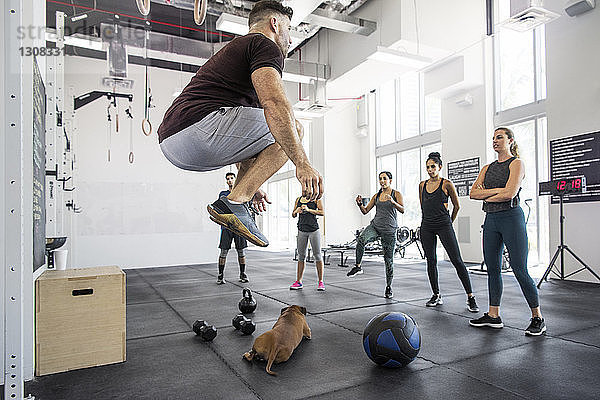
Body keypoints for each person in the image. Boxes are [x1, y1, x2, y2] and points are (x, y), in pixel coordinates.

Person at [157, 0, 323, 248]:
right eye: (289, 30)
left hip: (175, 145)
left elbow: (247, 142)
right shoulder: (263, 44)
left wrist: (251, 183)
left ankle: (237, 199)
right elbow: (276, 105)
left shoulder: (239, 53)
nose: (290, 39)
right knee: (293, 128)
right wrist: (303, 164)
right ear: (274, 24)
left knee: (273, 129)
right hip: (198, 128)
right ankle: (234, 202)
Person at [469, 127, 545, 336]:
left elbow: (511, 193)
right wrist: (496, 192)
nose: (495, 141)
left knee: (520, 269)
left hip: (511, 218)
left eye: (499, 137)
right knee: (493, 269)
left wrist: (488, 195)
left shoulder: (517, 163)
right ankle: (494, 315)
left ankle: (537, 317)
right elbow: (473, 193)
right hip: (491, 219)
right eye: (493, 138)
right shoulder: (487, 168)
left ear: (510, 140)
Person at [419, 152, 478, 312]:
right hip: (427, 226)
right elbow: (423, 206)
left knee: (457, 260)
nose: (430, 170)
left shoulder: (446, 184)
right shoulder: (422, 185)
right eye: (428, 167)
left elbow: (457, 206)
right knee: (431, 261)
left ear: (439, 167)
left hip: (444, 225)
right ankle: (436, 294)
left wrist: (448, 223)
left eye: (433, 167)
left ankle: (470, 297)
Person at [347, 171, 404, 298]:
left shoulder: (396, 194)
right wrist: (360, 204)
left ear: (390, 180)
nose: (382, 181)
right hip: (375, 226)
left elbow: (402, 210)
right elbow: (365, 211)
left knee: (388, 261)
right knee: (361, 239)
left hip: (389, 230)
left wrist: (393, 202)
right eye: (380, 179)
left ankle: (389, 287)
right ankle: (358, 266)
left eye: (384, 179)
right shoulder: (377, 195)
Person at [216, 172, 249, 284]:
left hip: (239, 227)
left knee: (241, 252)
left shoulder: (241, 193)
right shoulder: (223, 194)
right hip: (226, 227)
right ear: (226, 181)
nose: (229, 180)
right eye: (228, 179)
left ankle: (243, 274)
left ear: (235, 179)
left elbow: (245, 209)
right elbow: (219, 209)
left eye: (231, 178)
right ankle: (220, 276)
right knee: (223, 252)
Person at [289, 196, 325, 291]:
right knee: (301, 256)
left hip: (313, 230)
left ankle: (320, 282)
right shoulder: (298, 199)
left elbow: (322, 212)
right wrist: (296, 211)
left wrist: (309, 210)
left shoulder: (317, 199)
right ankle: (298, 281)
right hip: (301, 230)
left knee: (317, 255)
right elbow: (293, 214)